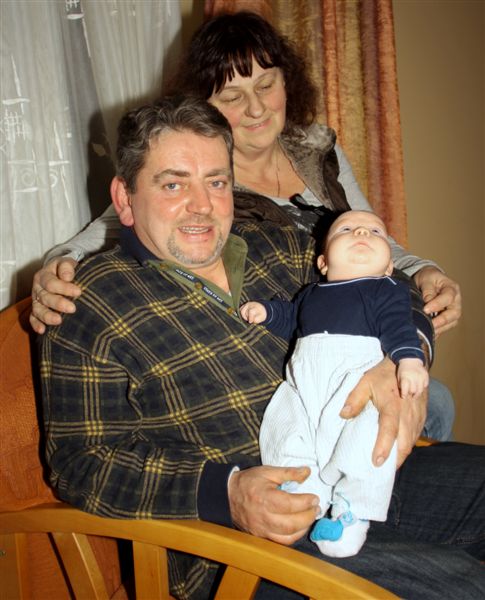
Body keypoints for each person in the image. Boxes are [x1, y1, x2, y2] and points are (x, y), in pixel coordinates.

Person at [39, 96, 484, 600]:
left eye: (216, 182)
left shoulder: (281, 247)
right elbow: (80, 463)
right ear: (124, 198)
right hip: (250, 546)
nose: (202, 205)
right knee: (464, 588)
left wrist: (406, 364)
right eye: (173, 184)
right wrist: (225, 492)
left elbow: (393, 287)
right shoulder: (89, 303)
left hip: (363, 470)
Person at [31, 11, 459, 442]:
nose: (256, 108)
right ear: (205, 108)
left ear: (287, 82)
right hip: (295, 336)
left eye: (266, 85)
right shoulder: (208, 187)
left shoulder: (316, 148)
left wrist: (422, 269)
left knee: (434, 400)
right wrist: (58, 264)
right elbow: (114, 223)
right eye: (232, 96)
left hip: (363, 322)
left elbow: (371, 234)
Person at [240, 210, 429, 558]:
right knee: (286, 426)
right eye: (347, 229)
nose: (362, 232)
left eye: (375, 231)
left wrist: (410, 360)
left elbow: (399, 327)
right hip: (304, 385)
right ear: (324, 263)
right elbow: (293, 319)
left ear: (389, 267)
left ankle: (350, 512)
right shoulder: (311, 293)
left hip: (355, 379)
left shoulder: (386, 290)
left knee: (367, 439)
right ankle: (302, 489)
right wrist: (267, 313)